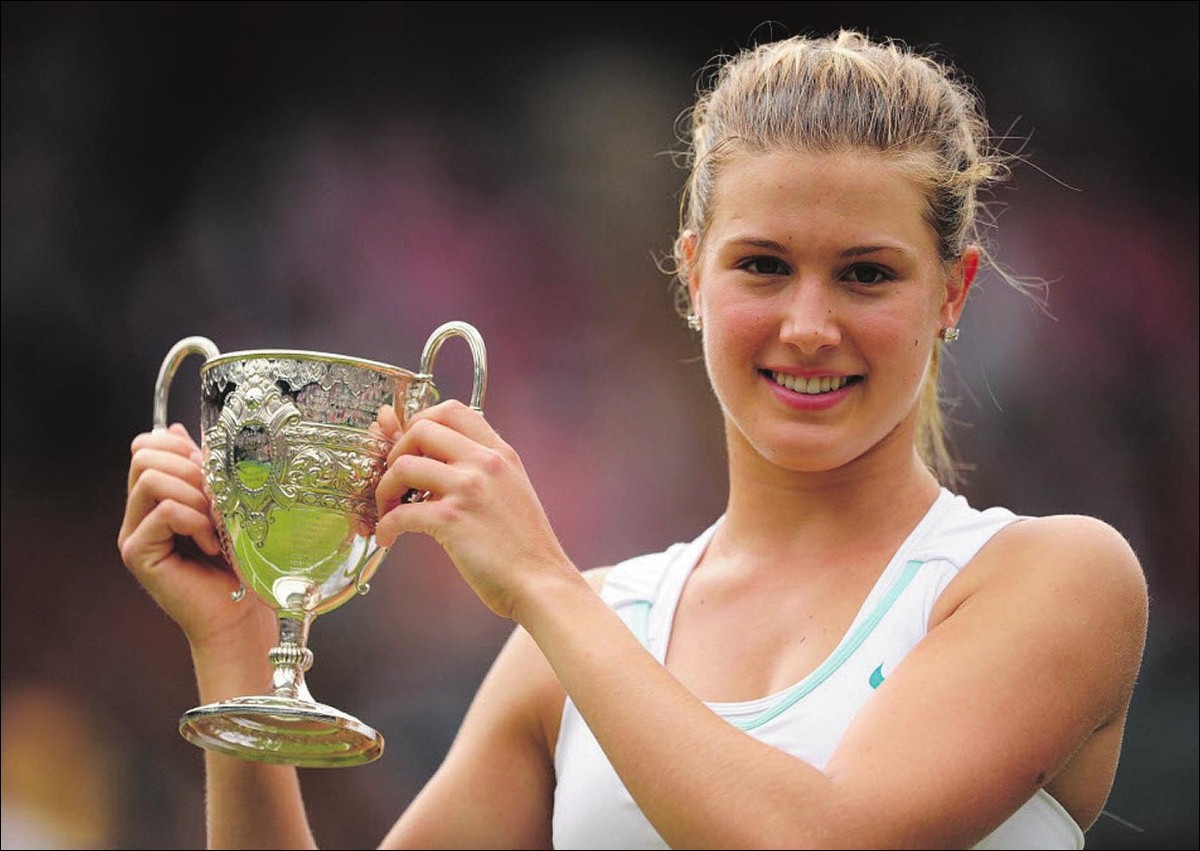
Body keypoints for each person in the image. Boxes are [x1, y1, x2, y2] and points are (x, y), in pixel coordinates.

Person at [118, 29, 1148, 849]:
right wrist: (236, 639)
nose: (807, 325)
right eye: (762, 265)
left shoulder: (1056, 577)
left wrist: (544, 582)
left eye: (867, 273)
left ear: (953, 293)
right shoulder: (588, 634)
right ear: (692, 274)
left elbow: (822, 836)